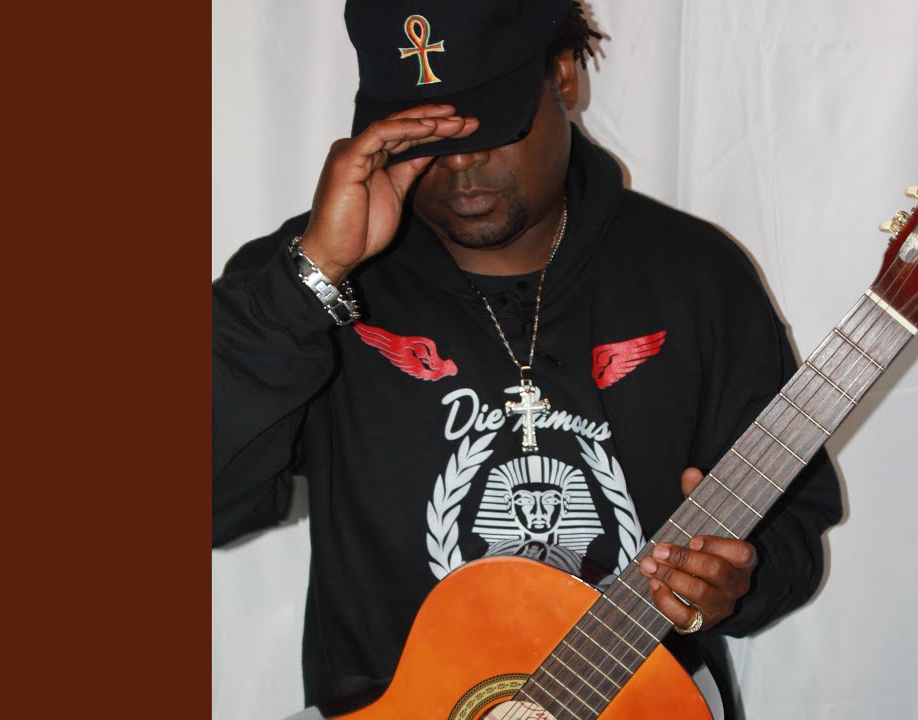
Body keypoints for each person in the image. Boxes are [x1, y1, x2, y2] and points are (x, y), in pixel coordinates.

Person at [213, 1, 843, 718]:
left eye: (489, 122)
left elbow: (792, 524)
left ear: (563, 75)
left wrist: (733, 587)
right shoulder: (308, 284)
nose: (460, 162)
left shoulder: (696, 277)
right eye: (419, 134)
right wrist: (309, 284)